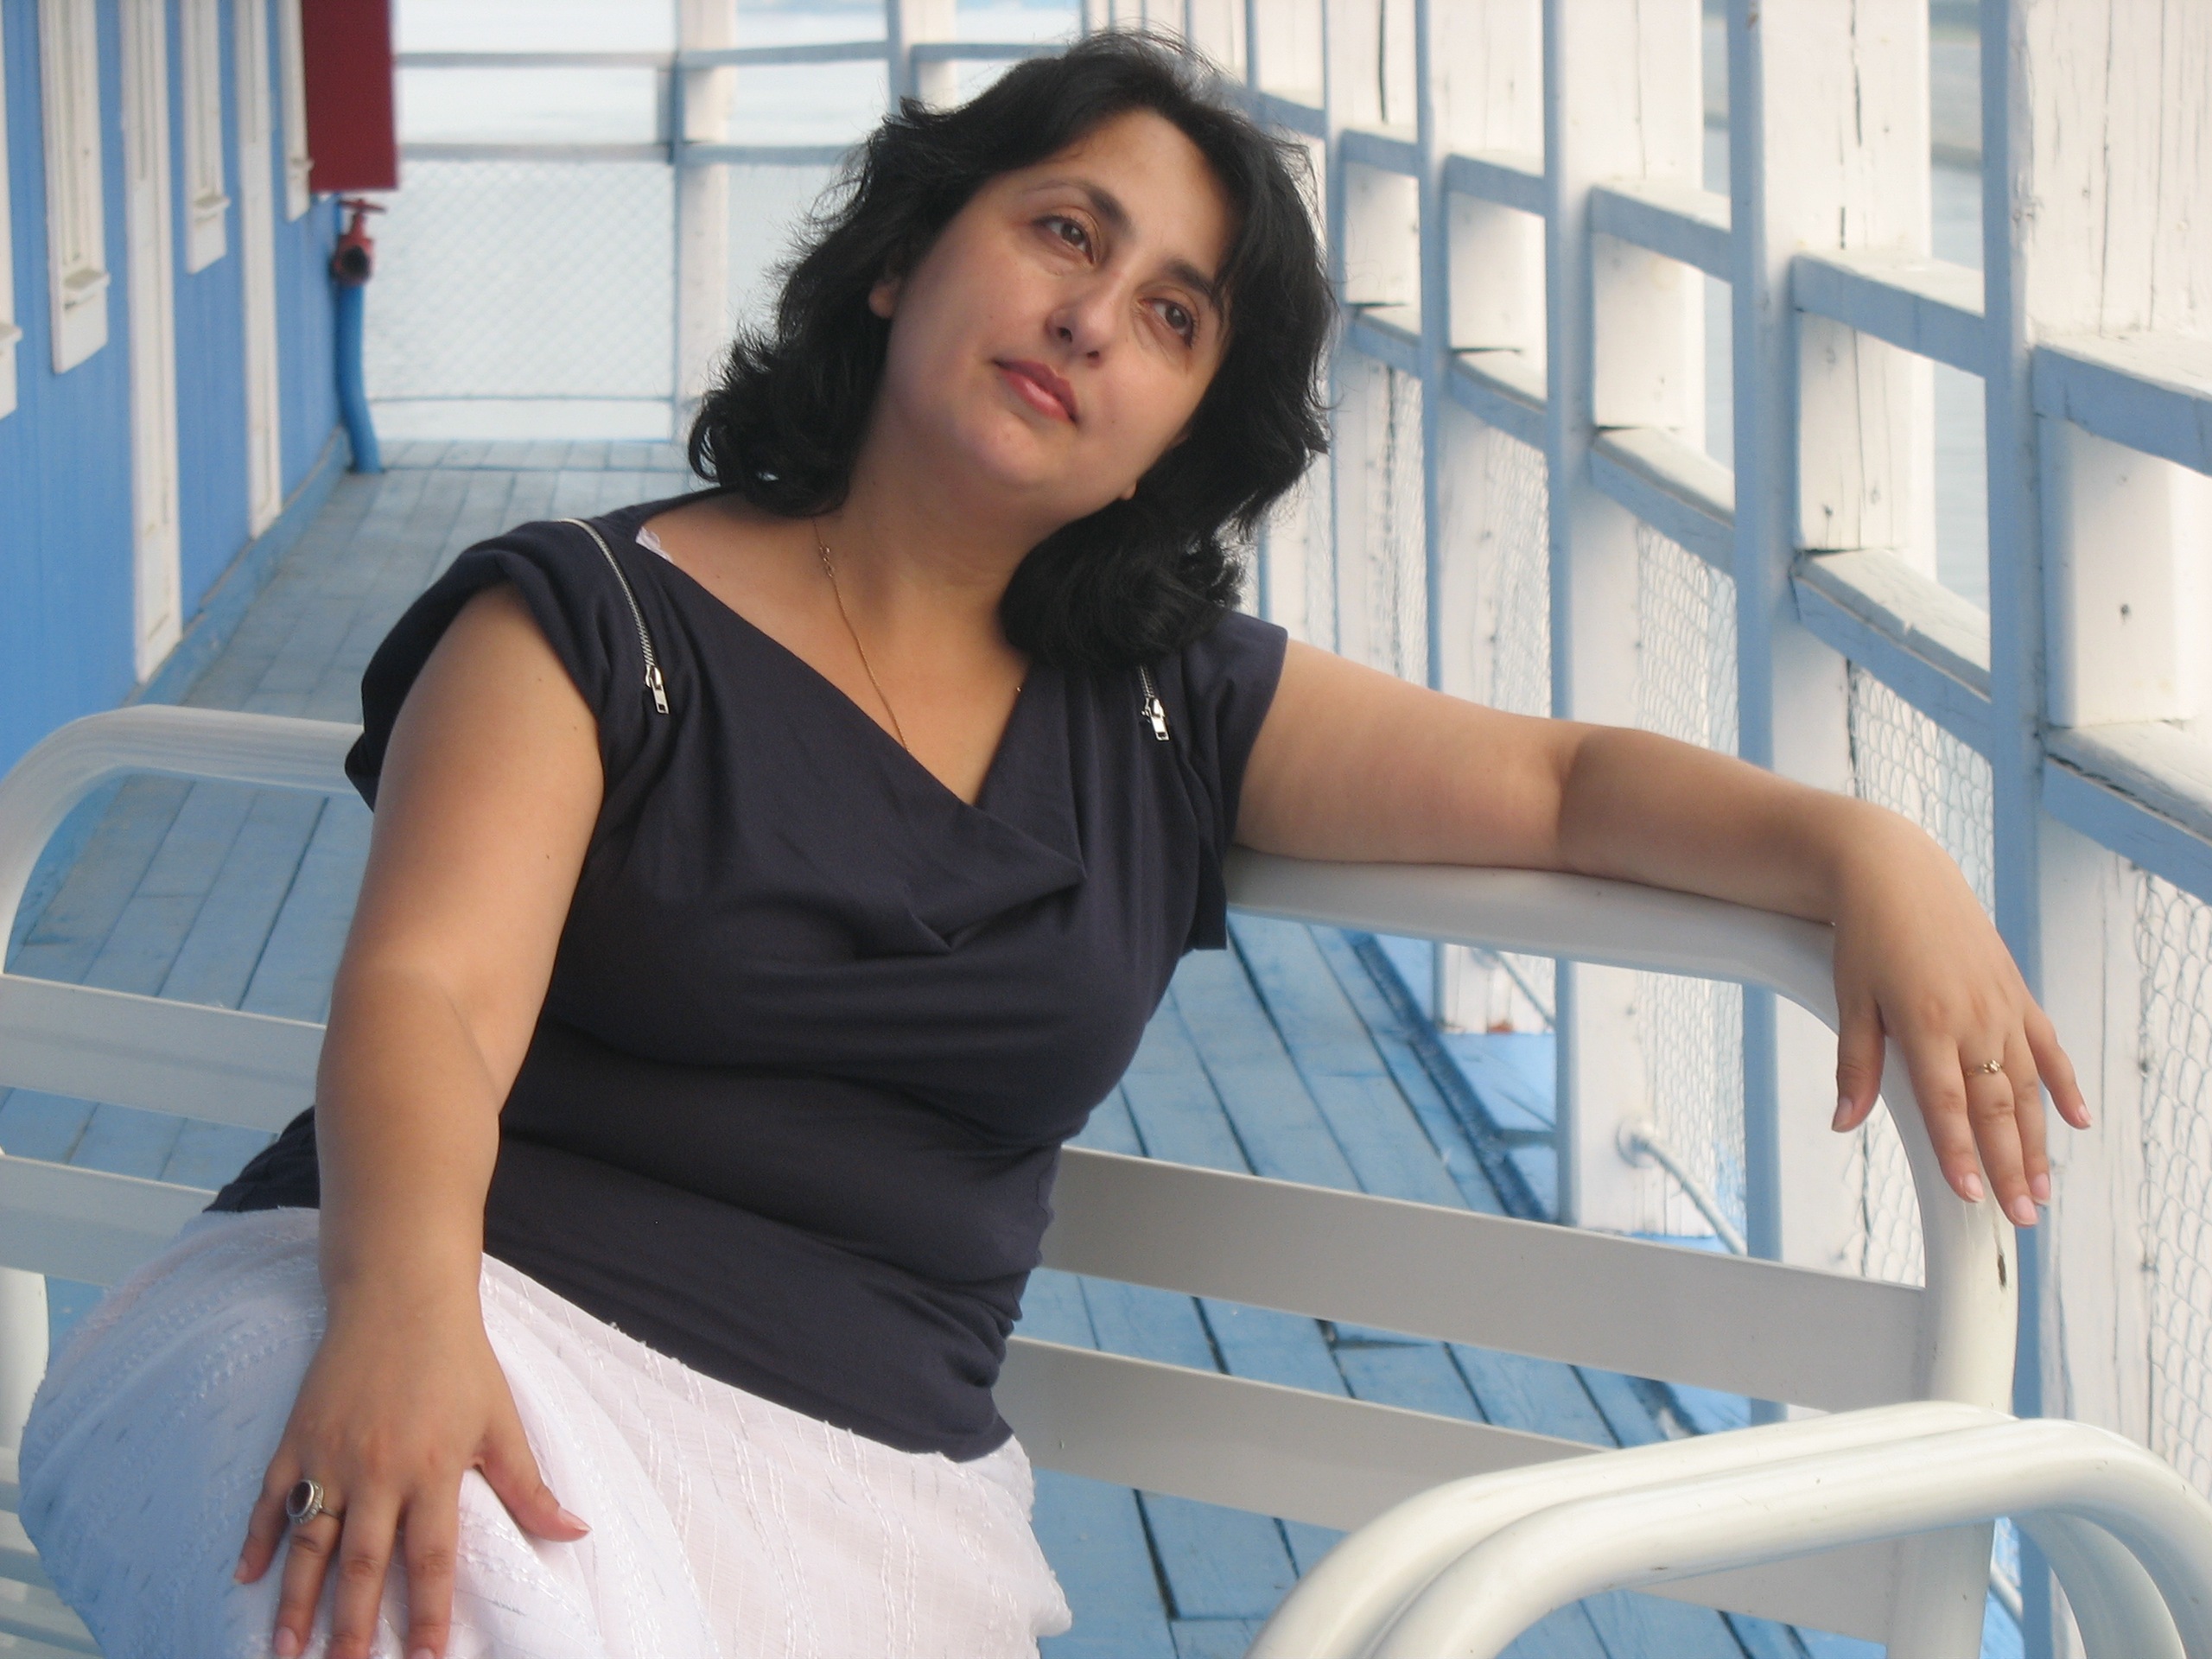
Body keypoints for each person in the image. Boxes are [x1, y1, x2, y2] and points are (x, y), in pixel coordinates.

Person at [16, 30, 2084, 1659]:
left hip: (843, 1496)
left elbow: (1555, 788)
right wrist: (403, 1322)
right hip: (409, 1316)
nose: (1095, 320)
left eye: (1174, 316)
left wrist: (1858, 854)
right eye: (1065, 234)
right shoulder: (586, 625)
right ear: (904, 256)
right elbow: (428, 997)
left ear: (1178, 434)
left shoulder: (1173, 711)